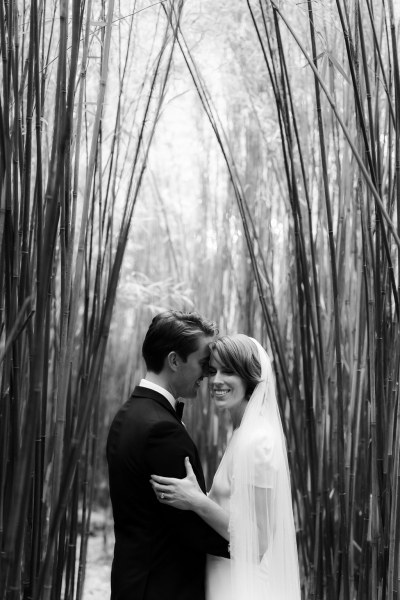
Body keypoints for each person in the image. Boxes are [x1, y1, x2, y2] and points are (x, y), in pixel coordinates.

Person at [151, 334, 301, 600]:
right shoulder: (243, 433)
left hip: (244, 585)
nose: (217, 380)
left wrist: (197, 501)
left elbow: (259, 543)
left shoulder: (259, 442)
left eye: (229, 371)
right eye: (213, 371)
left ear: (251, 378)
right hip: (225, 576)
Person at [106, 311, 230, 600]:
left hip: (133, 580)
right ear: (174, 361)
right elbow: (190, 528)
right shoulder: (162, 429)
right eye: (204, 363)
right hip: (164, 587)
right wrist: (251, 542)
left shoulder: (128, 414)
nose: (209, 374)